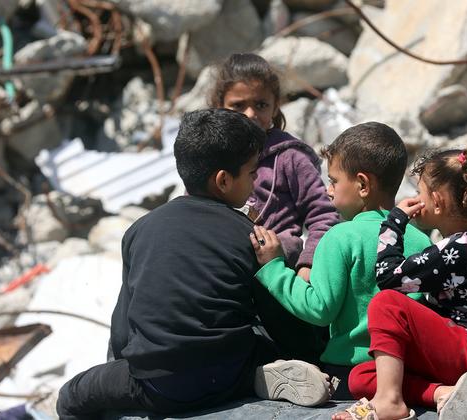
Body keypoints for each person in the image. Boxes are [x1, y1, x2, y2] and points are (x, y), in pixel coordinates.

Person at [57, 109, 332, 420]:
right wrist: (308, 353)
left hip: (159, 386)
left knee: (72, 394)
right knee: (253, 339)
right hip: (228, 372)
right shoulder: (249, 235)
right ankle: (254, 378)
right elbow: (278, 319)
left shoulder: (140, 229)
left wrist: (126, 367)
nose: (255, 182)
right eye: (252, 174)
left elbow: (123, 329)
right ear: (223, 180)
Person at [249, 122, 432, 400]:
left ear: (362, 185)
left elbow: (319, 309)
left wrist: (273, 268)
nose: (328, 190)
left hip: (349, 373)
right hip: (405, 372)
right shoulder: (421, 240)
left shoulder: (339, 237)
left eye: (334, 181)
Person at [333, 148, 467, 420]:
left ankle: (388, 401)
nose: (415, 199)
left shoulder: (459, 249)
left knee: (387, 303)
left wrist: (395, 221)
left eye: (419, 192)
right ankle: (442, 393)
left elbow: (388, 278)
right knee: (361, 376)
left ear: (437, 201)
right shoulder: (465, 243)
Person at [208, 52, 340, 364]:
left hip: (280, 272)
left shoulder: (290, 157)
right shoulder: (211, 156)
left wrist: (308, 263)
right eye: (238, 105)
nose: (250, 114)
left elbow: (324, 214)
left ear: (275, 106)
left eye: (261, 105)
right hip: (227, 270)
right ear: (219, 105)